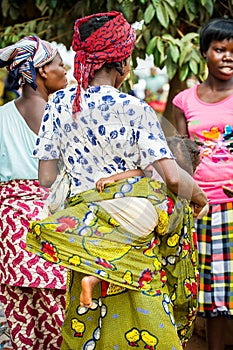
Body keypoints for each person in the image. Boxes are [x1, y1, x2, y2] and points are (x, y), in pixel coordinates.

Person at [26, 12, 208, 350]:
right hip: (133, 225)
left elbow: (46, 177)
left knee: (88, 320)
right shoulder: (134, 108)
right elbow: (171, 175)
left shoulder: (58, 104)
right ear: (122, 62)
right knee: (146, 315)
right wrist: (198, 196)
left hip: (82, 229)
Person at [0, 35, 68, 350]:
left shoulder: (1, 116)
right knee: (57, 322)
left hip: (8, 232)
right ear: (41, 70)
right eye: (58, 62)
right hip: (48, 228)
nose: (64, 68)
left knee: (18, 325)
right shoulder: (59, 116)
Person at [172, 18, 233, 350]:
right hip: (202, 208)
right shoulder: (184, 101)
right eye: (220, 50)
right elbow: (183, 159)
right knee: (209, 294)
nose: (227, 57)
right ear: (204, 52)